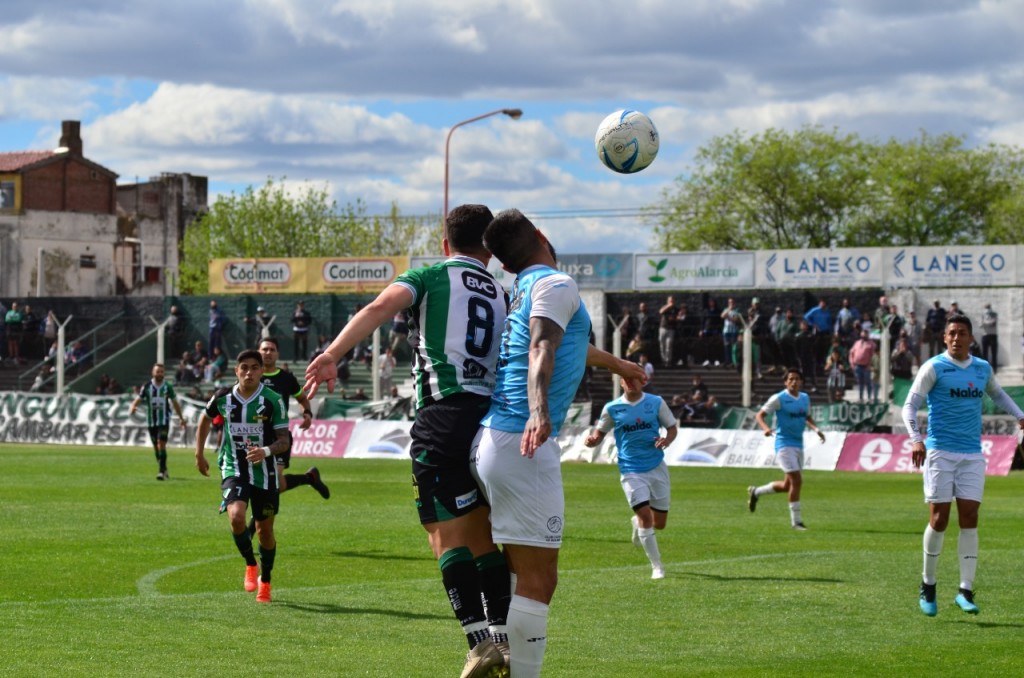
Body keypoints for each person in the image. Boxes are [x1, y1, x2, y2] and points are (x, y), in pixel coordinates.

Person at [303, 204, 513, 677]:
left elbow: (378, 308)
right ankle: (503, 638)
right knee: (481, 536)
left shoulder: (431, 275)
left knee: (444, 534)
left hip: (444, 416)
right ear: (489, 248)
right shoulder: (502, 292)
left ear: (445, 244)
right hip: (491, 420)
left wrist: (333, 353)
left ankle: (479, 642)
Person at [469, 208, 645, 678]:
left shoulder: (524, 288)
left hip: (495, 438)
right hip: (520, 439)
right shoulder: (557, 283)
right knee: (540, 578)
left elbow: (562, 342)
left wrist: (619, 365)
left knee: (519, 570)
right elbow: (541, 347)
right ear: (541, 235)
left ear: (506, 264)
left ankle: (504, 661)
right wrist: (539, 409)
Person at [902, 313, 1024, 617]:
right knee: (939, 518)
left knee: (970, 516)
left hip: (971, 454)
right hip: (940, 452)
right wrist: (916, 439)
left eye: (962, 333)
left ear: (971, 338)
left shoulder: (982, 368)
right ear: (945, 338)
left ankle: (965, 590)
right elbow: (909, 405)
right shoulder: (934, 367)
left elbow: (997, 393)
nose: (957, 338)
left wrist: (1020, 415)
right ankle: (928, 584)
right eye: (952, 333)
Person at [195, 349, 290, 604]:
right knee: (236, 517)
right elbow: (205, 420)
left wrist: (265, 451)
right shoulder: (222, 397)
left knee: (264, 532)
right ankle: (250, 563)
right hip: (234, 468)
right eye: (244, 368)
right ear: (236, 371)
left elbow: (284, 440)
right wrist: (199, 453)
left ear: (261, 371)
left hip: (265, 474)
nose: (249, 372)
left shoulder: (272, 400)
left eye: (254, 368)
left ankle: (265, 581)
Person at [584, 377, 678, 579]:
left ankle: (637, 523)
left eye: (635, 379)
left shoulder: (656, 402)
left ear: (643, 381)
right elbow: (599, 433)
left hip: (656, 466)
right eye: (627, 379)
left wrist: (666, 440)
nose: (632, 383)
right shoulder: (612, 408)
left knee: (659, 523)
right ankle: (657, 566)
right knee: (646, 516)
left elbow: (672, 428)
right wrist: (592, 441)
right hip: (630, 469)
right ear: (621, 383)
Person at [747, 368, 825, 530]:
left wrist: (816, 430)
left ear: (801, 382)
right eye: (790, 379)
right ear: (785, 382)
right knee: (797, 481)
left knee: (787, 486)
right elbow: (759, 415)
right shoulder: (779, 398)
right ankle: (796, 522)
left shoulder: (805, 398)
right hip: (783, 444)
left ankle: (756, 492)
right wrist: (765, 428)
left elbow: (807, 417)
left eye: (797, 379)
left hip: (798, 444)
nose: (794, 382)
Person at [254, 337, 328, 506]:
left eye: (272, 349)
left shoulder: (286, 378)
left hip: (280, 437)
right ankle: (310, 478)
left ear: (277, 354)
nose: (268, 353)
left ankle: (256, 521)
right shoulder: (250, 377)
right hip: (254, 436)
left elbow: (302, 398)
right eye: (264, 349)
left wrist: (307, 413)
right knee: (275, 484)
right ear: (258, 352)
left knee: (272, 481)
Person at [130, 363, 187, 480]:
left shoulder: (167, 387)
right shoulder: (147, 386)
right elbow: (138, 399)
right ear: (153, 372)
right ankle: (164, 468)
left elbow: (175, 403)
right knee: (156, 447)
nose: (160, 374)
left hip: (164, 420)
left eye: (161, 372)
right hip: (151, 421)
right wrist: (133, 407)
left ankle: (161, 472)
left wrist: (181, 418)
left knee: (161, 444)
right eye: (157, 372)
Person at [849, 329, 876, 404]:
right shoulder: (857, 343)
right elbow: (851, 353)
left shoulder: (871, 344)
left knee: (868, 383)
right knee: (860, 383)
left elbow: (873, 356)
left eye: (865, 334)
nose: (864, 335)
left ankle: (869, 398)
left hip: (866, 366)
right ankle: (860, 398)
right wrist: (852, 363)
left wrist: (870, 365)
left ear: (868, 335)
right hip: (857, 366)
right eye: (863, 334)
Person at [657, 295, 677, 367]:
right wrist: (668, 306)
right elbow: (661, 312)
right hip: (663, 328)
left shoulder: (675, 309)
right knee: (662, 345)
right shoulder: (665, 307)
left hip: (671, 329)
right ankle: (663, 360)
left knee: (669, 345)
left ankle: (668, 361)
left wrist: (673, 319)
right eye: (670, 300)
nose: (671, 302)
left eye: (672, 300)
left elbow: (677, 317)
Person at [980, 303, 998, 372]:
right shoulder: (982, 315)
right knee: (985, 354)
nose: (987, 309)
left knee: (994, 353)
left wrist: (985, 323)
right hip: (985, 335)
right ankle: (985, 368)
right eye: (986, 308)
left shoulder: (994, 314)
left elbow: (993, 323)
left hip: (993, 335)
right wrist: (985, 323)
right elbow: (980, 325)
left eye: (988, 308)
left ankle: (994, 369)